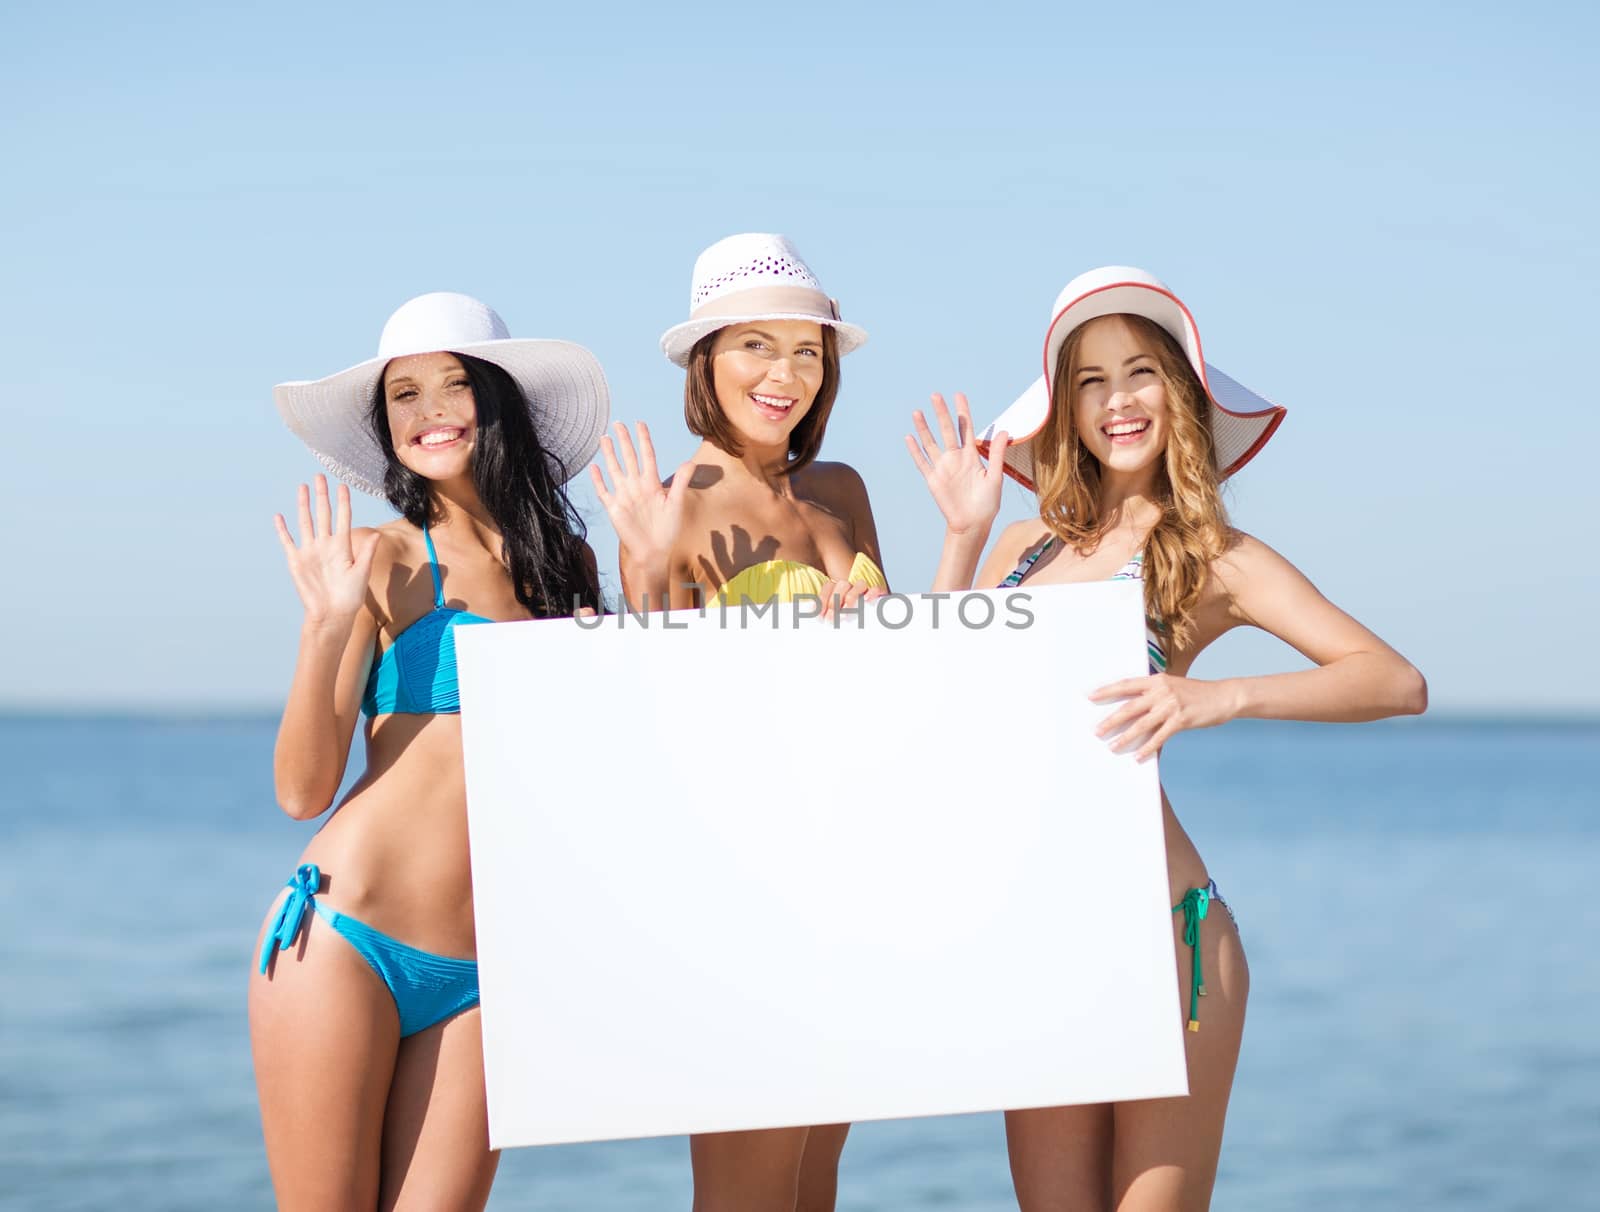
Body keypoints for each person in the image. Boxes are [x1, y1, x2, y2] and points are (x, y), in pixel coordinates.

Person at [906, 266, 1427, 1211]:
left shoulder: (1213, 553)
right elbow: (937, 706)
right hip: (1039, 936)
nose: (1117, 401)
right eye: (1092, 380)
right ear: (1066, 408)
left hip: (1166, 934)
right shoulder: (1023, 541)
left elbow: (1393, 679)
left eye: (1139, 371)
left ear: (1179, 394)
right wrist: (959, 535)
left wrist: (1214, 696)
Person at [251, 291, 607, 1210]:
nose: (430, 410)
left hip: (489, 970)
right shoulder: (379, 558)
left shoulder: (567, 566)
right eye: (404, 395)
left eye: (453, 385)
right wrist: (325, 628)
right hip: (346, 939)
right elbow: (302, 789)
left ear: (500, 402)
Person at [589, 233, 881, 1211]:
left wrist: (963, 535)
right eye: (755, 345)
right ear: (704, 360)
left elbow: (909, 680)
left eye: (807, 350)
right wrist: (640, 575)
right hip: (739, 877)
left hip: (850, 868)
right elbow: (648, 722)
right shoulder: (667, 508)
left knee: (813, 1187)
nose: (785, 374)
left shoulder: (840, 492)